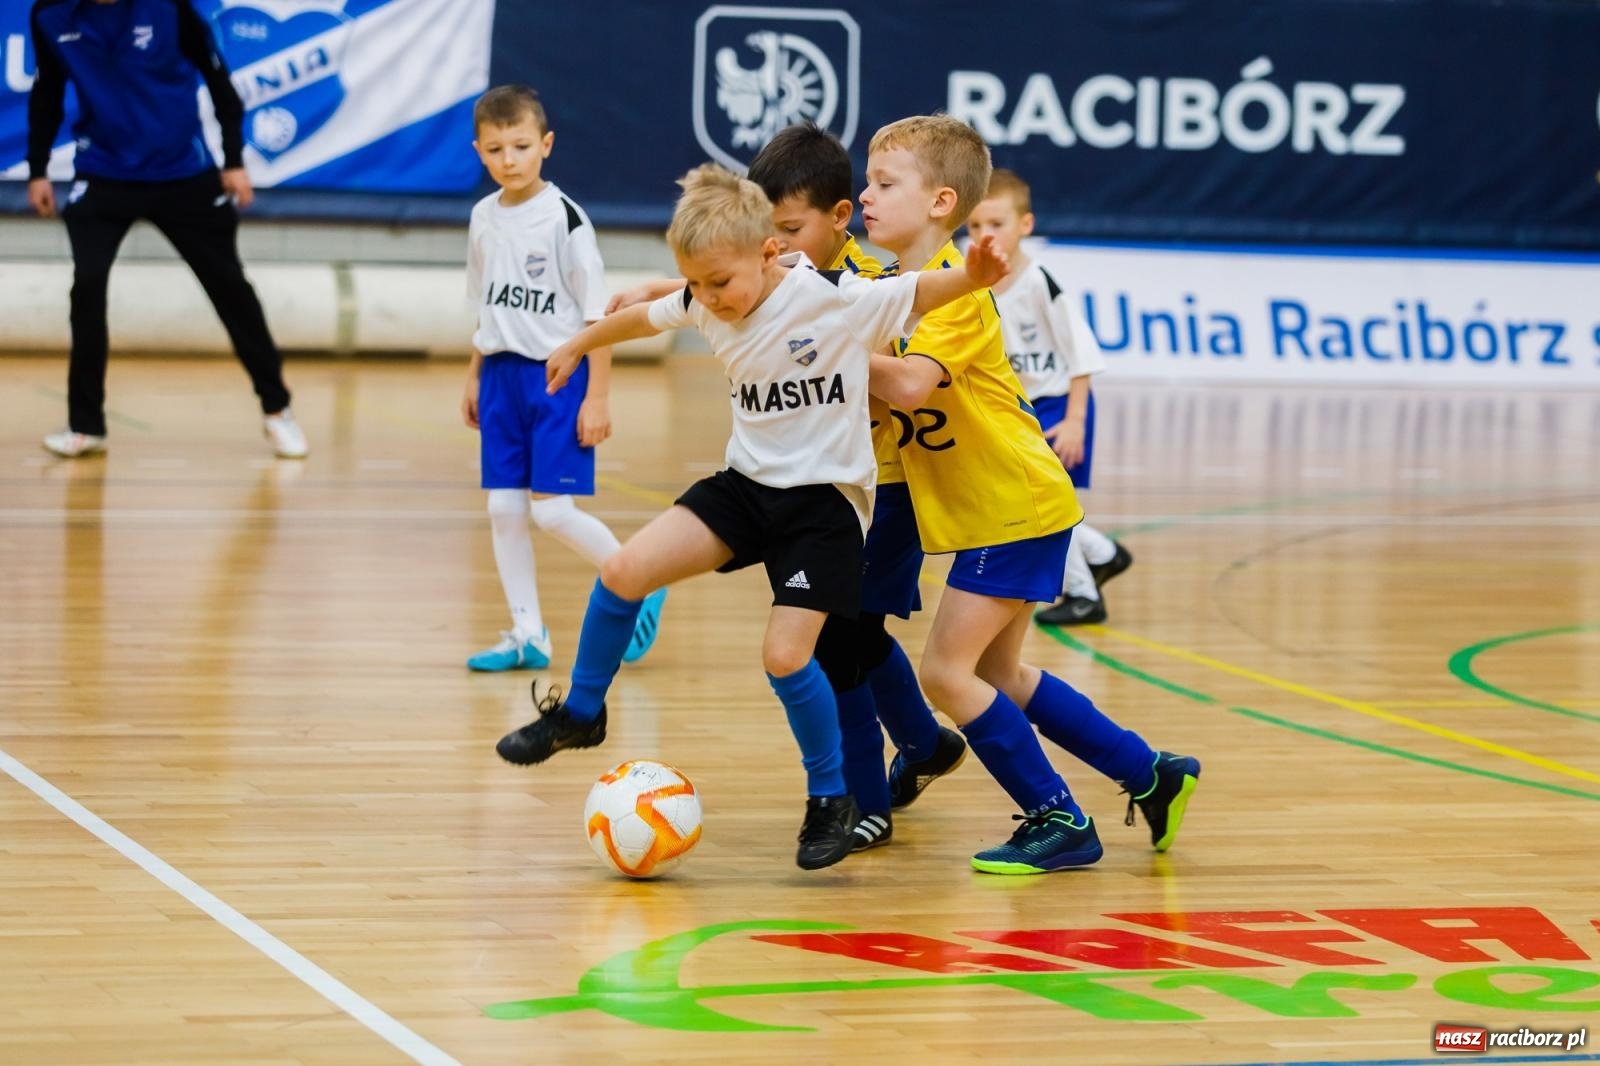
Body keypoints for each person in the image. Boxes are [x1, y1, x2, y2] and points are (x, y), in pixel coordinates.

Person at [494, 163, 1011, 870]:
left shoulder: (833, 299)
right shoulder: (706, 298)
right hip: (746, 487)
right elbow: (644, 316)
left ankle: (830, 799)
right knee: (623, 571)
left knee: (786, 657)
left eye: (718, 283)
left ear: (769, 253)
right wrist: (579, 343)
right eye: (696, 285)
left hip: (824, 506)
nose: (706, 299)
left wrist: (976, 274)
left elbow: (920, 289)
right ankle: (582, 714)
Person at [861, 115, 1200, 873]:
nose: (867, 196)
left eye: (885, 184)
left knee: (945, 674)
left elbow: (909, 385)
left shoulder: (956, 291)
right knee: (999, 676)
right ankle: (1152, 773)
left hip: (1012, 506)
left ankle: (1058, 817)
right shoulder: (891, 289)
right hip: (1001, 508)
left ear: (942, 202)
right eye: (867, 182)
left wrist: (830, 345)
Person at [607, 122, 947, 853]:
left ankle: (865, 800)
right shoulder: (781, 272)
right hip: (814, 487)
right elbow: (748, 284)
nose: (778, 243)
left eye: (789, 230)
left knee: (841, 646)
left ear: (837, 218)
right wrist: (668, 291)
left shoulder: (857, 286)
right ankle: (923, 743)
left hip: (880, 485)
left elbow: (906, 380)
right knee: (850, 637)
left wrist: (830, 350)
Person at [25, 0, 307, 459]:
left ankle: (277, 409)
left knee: (230, 288)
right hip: (103, 172)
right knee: (88, 284)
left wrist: (233, 160)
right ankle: (85, 425)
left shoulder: (170, 9)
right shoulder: (51, 15)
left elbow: (219, 83)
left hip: (183, 174)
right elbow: (47, 92)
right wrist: (38, 169)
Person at [459, 84, 665, 672]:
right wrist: (474, 375)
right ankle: (529, 635)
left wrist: (597, 396)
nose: (509, 160)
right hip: (500, 377)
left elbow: (600, 318)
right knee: (504, 509)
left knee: (550, 511)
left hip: (557, 377)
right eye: (495, 149)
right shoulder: (482, 217)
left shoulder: (567, 220)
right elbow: (486, 307)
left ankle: (640, 577)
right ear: (479, 151)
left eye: (521, 146)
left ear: (545, 144)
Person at [966, 169, 1133, 626]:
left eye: (996, 224)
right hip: (1017, 412)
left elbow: (1082, 355)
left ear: (1025, 225)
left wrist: (1075, 420)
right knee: (1038, 504)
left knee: (1047, 507)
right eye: (975, 225)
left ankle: (1084, 594)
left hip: (1058, 406)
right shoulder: (970, 275)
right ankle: (1102, 553)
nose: (984, 234)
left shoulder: (1039, 282)